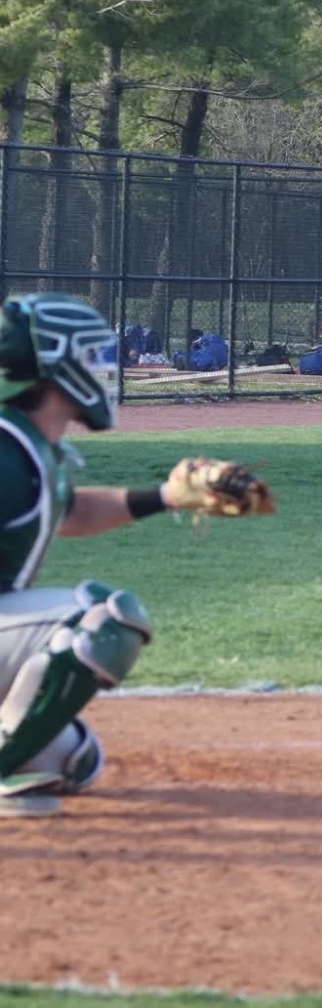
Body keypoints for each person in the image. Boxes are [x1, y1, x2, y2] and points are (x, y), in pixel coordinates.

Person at [0, 293, 273, 818]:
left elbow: (71, 512)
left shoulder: (31, 447)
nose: (105, 369)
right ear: (59, 365)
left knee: (74, 759)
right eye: (93, 357)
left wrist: (168, 497)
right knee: (102, 619)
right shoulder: (6, 451)